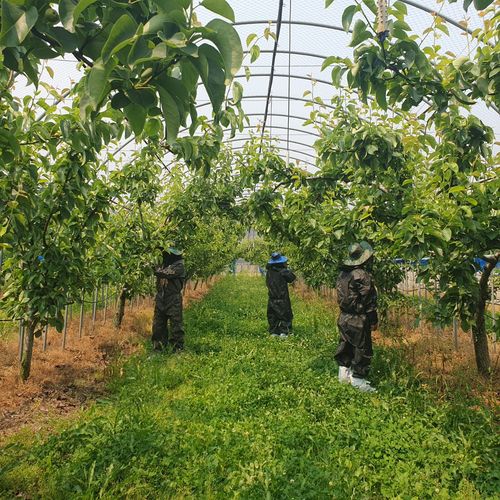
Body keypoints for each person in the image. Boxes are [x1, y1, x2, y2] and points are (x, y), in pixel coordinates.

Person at [335, 241, 378, 392]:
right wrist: (373, 320)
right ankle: (358, 380)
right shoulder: (362, 276)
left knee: (345, 344)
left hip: (343, 317)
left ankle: (343, 375)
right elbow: (369, 301)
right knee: (362, 348)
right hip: (358, 318)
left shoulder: (343, 274)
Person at [151, 247, 186, 352]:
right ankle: (158, 349)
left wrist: (153, 268)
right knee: (158, 325)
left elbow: (166, 273)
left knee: (176, 325)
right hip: (161, 298)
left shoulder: (179, 266)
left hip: (173, 299)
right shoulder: (164, 265)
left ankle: (177, 349)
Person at [266, 252, 296, 337]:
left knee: (272, 315)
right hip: (282, 298)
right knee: (285, 314)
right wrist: (287, 270)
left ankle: (274, 332)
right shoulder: (283, 272)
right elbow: (292, 278)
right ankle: (284, 332)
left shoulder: (269, 272)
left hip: (272, 297)